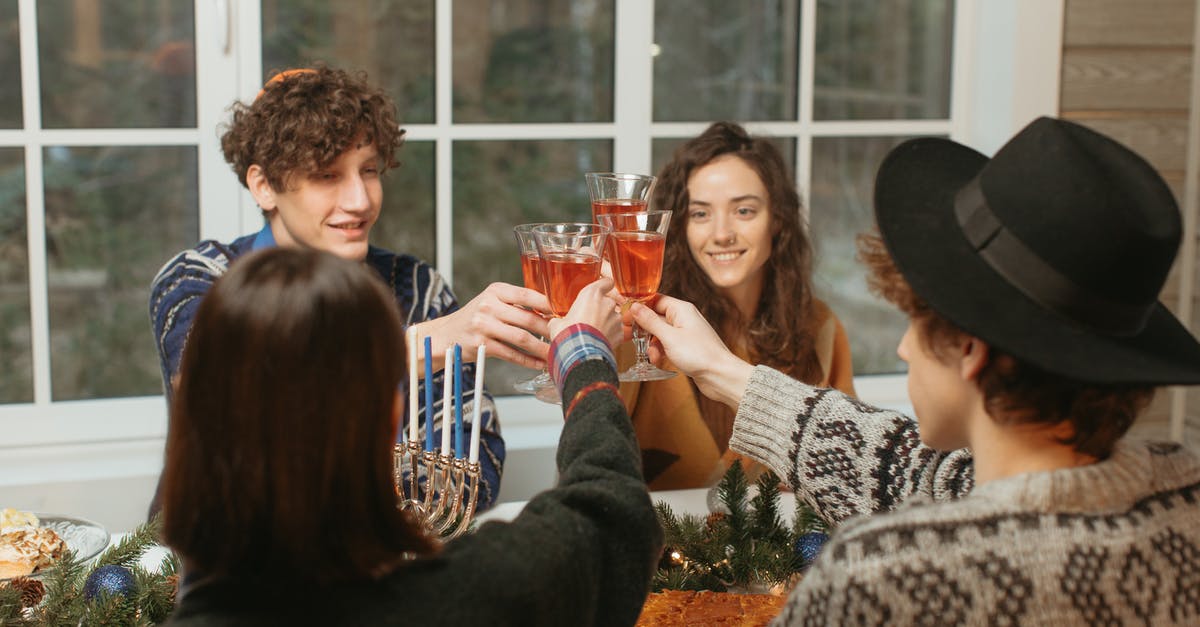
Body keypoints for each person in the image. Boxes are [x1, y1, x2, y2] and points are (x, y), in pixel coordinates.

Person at [595, 117, 1200, 623]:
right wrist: (724, 370)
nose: (905, 349)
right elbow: (910, 468)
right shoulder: (1183, 498)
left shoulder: (879, 579)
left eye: (915, 321)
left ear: (970, 349)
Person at [161, 247, 662, 626]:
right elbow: (611, 515)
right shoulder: (466, 597)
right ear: (393, 409)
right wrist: (584, 355)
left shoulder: (200, 607)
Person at [149, 66, 550, 510]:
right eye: (327, 175)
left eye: (369, 170)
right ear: (263, 186)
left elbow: (476, 464)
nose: (360, 200)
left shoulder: (417, 289)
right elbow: (223, 409)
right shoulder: (199, 279)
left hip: (378, 568)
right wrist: (414, 348)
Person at [619, 121, 856, 490]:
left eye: (743, 211)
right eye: (700, 214)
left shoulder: (820, 328)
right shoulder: (641, 330)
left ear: (777, 219)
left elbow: (844, 475)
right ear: (680, 226)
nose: (721, 234)